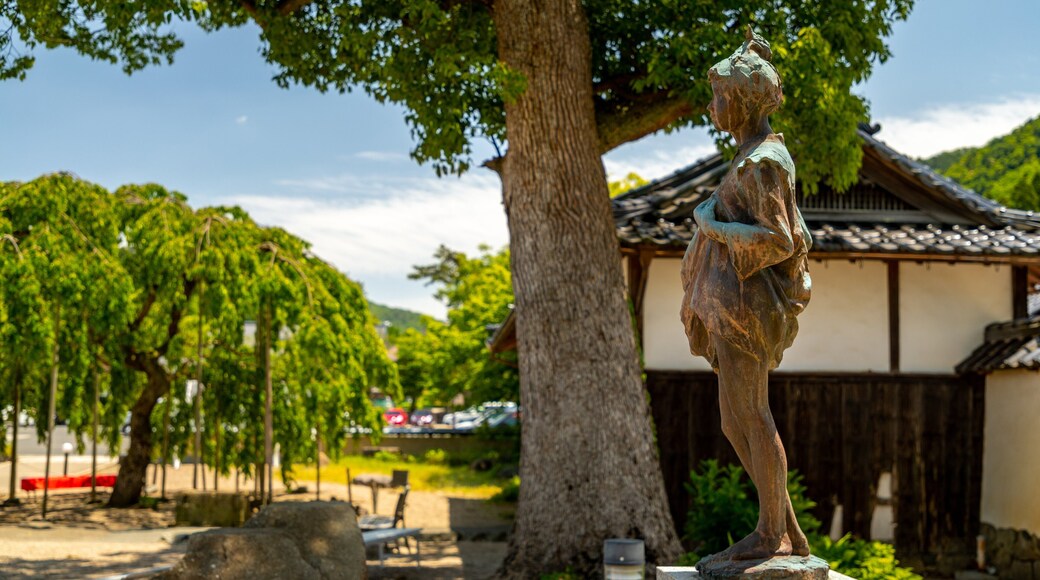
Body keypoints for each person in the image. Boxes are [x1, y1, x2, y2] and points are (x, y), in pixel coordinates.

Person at [680, 26, 813, 561]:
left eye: (718, 96)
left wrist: (712, 228)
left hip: (745, 307)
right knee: (734, 420)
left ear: (741, 100)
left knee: (751, 416)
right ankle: (790, 531)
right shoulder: (749, 155)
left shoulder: (764, 161)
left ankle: (771, 534)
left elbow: (780, 240)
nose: (713, 106)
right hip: (728, 304)